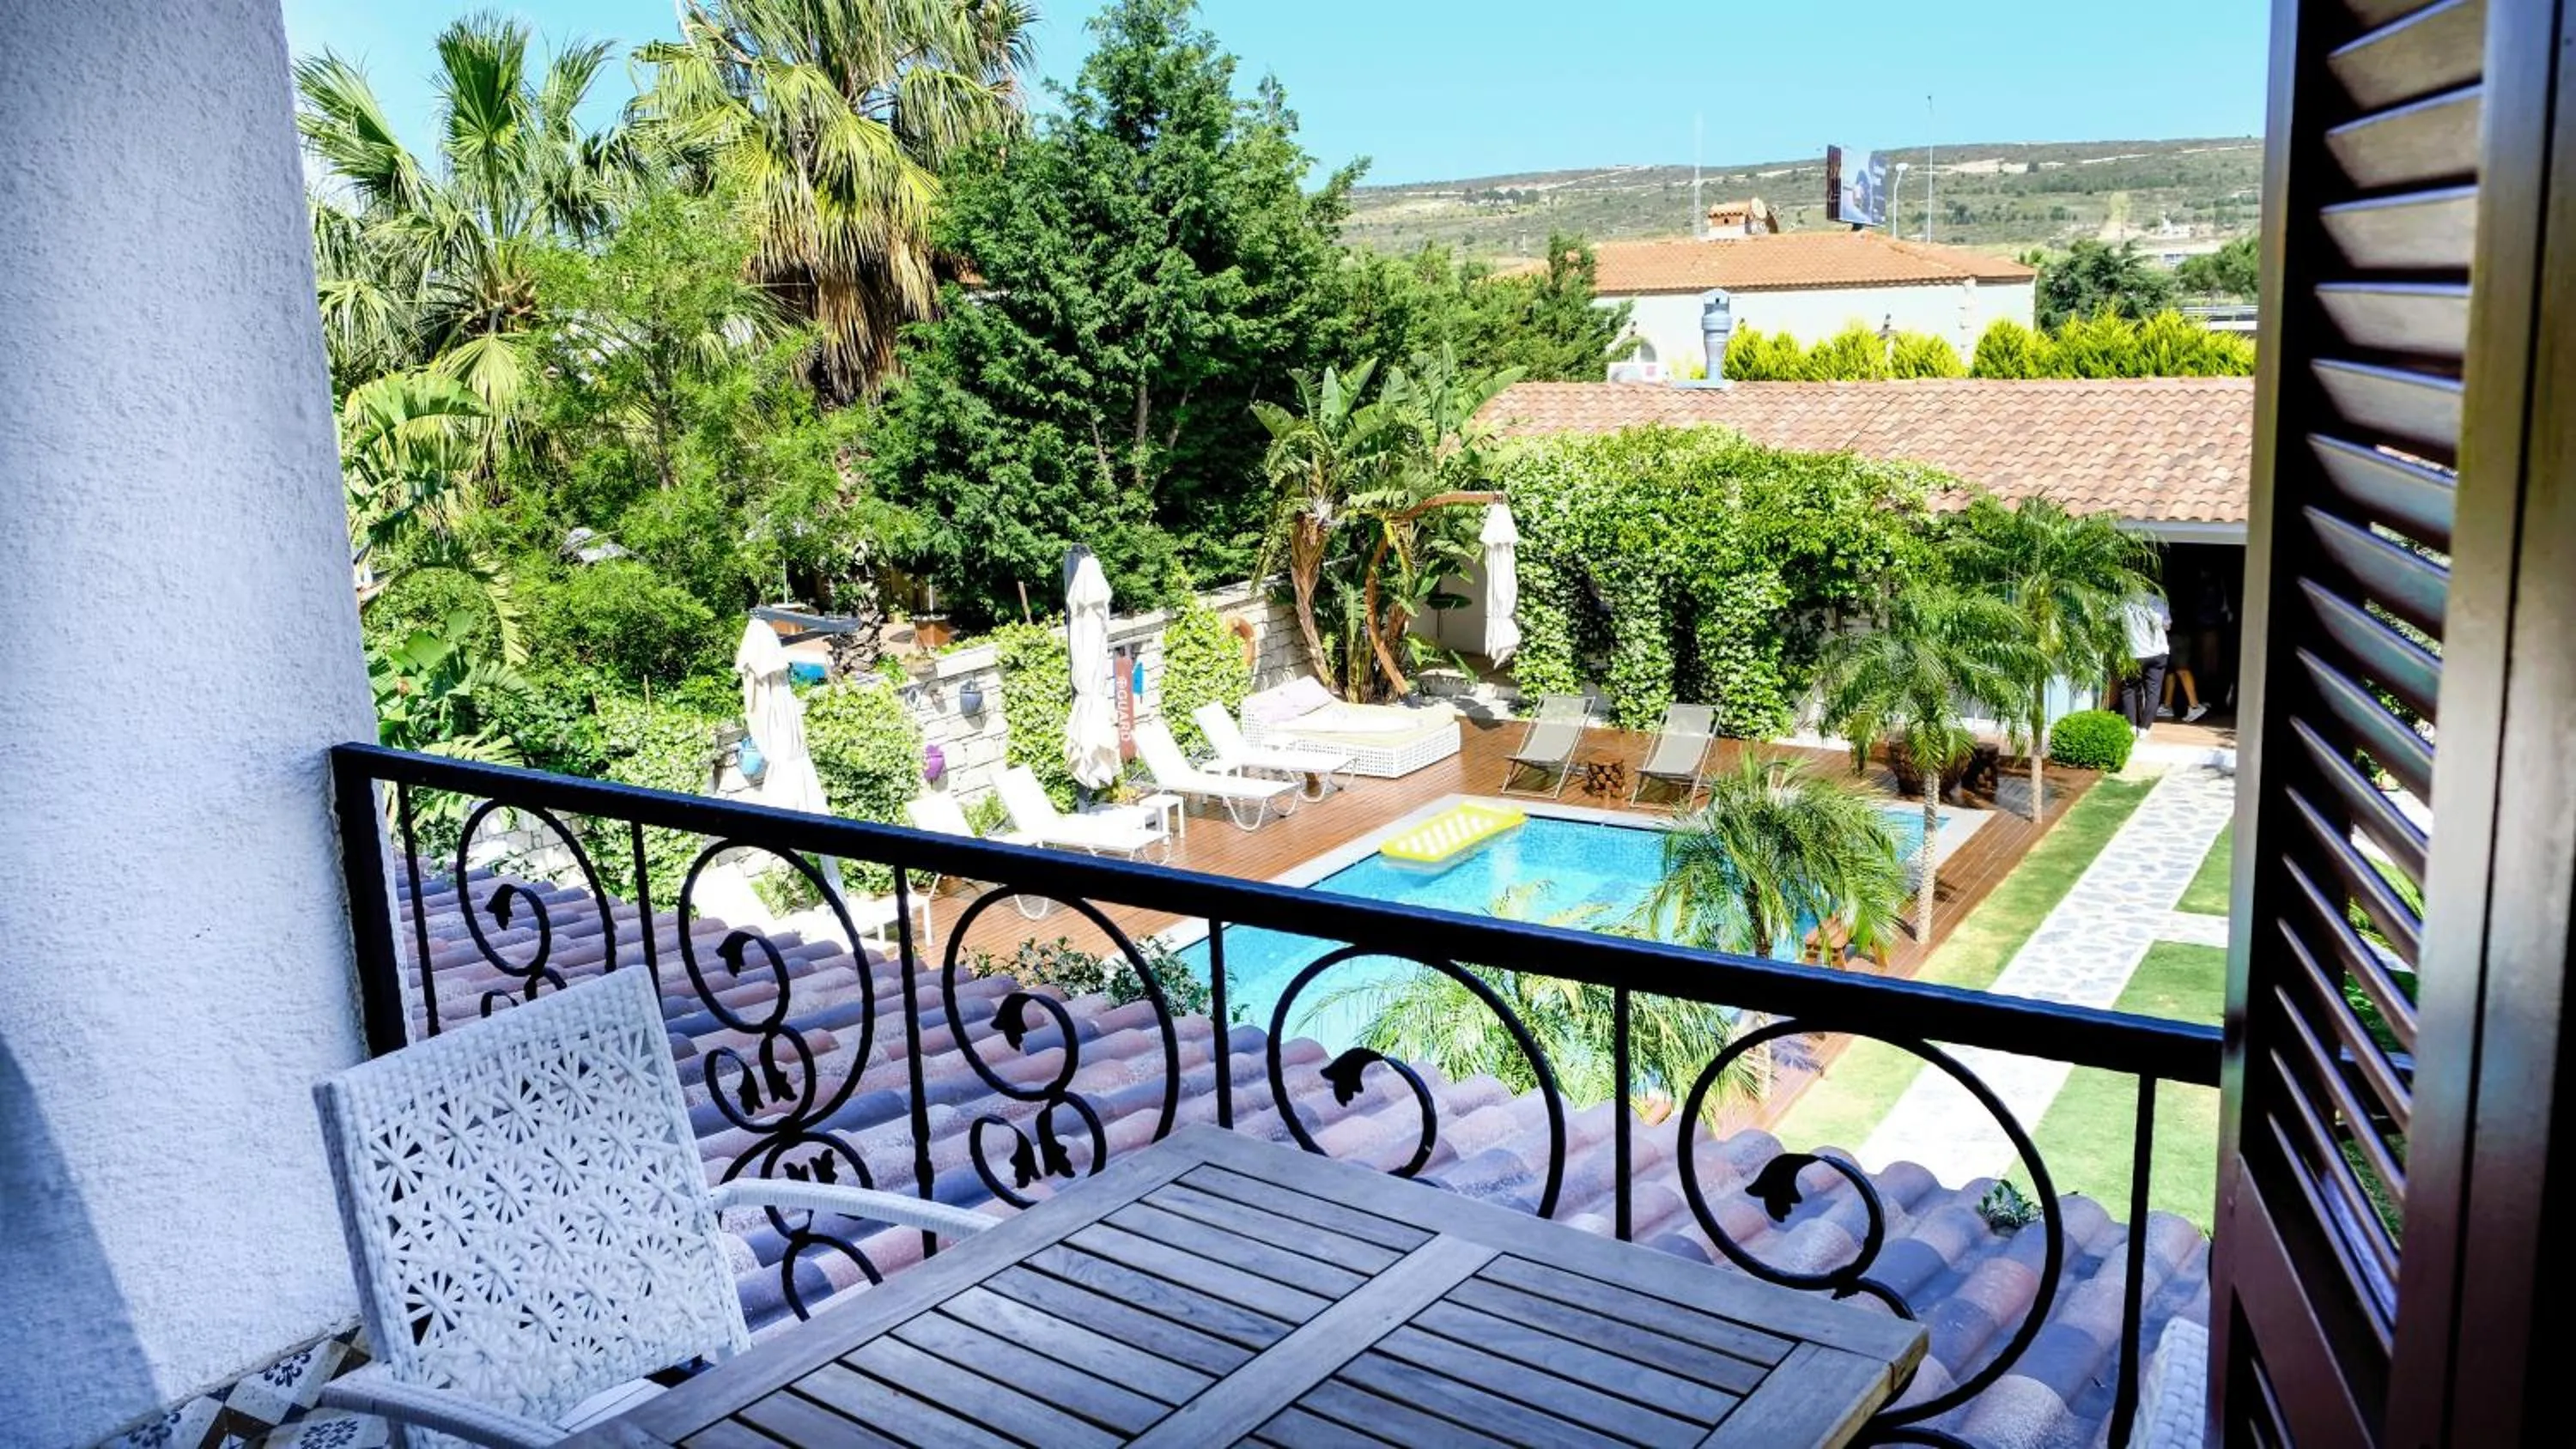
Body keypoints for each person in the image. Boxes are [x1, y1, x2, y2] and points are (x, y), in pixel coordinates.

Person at [2119, 592, 2172, 736]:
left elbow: (2109, 619)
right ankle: (2144, 728)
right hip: (2158, 653)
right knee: (2153, 691)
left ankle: (2131, 726)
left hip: (2134, 654)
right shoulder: (2159, 601)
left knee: (2129, 689)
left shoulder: (2124, 601)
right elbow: (2167, 625)